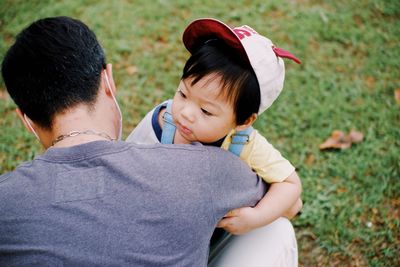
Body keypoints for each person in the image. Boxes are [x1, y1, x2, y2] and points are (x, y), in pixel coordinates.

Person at [0, 16, 273, 266]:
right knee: (273, 229)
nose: (185, 114)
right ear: (108, 80)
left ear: (26, 120)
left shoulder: (6, 201)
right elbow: (287, 201)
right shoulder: (212, 168)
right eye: (183, 95)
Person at [127, 18, 303, 237]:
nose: (185, 113)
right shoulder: (163, 122)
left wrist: (255, 217)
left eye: (206, 111)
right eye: (183, 94)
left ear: (244, 121)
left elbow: (290, 185)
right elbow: (124, 168)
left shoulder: (244, 144)